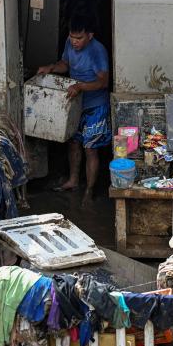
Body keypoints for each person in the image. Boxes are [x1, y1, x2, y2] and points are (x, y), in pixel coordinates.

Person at [37, 13, 111, 206]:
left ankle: (89, 191)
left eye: (79, 38)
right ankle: (73, 180)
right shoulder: (70, 44)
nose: (74, 42)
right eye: (72, 37)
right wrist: (51, 68)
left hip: (95, 106)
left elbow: (103, 82)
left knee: (90, 149)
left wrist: (79, 87)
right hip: (76, 104)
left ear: (90, 35)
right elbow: (65, 64)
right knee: (73, 143)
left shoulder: (97, 51)